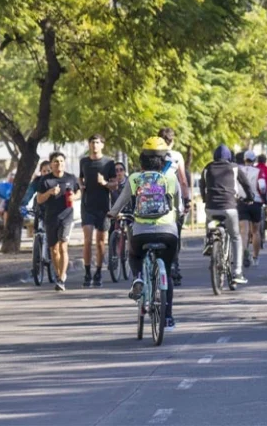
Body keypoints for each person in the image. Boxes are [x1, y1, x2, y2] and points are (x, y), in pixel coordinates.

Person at [108, 137, 182, 331]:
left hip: (141, 233)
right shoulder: (171, 178)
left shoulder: (134, 179)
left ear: (142, 160)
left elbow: (120, 204)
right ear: (164, 160)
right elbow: (179, 207)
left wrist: (112, 214)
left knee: (134, 255)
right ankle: (168, 318)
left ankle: (139, 277)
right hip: (168, 233)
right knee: (167, 269)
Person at [199, 145, 254, 285]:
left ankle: (209, 241)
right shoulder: (234, 167)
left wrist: (205, 199)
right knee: (236, 237)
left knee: (210, 223)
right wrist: (250, 197)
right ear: (229, 157)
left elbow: (202, 185)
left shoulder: (207, 167)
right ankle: (237, 272)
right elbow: (246, 184)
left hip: (211, 208)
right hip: (229, 208)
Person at [36, 152, 81, 292]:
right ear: (51, 164)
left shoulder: (71, 178)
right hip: (51, 217)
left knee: (63, 247)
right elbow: (39, 199)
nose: (59, 164)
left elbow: (79, 192)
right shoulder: (45, 181)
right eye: (56, 161)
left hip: (66, 216)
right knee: (54, 250)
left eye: (61, 161)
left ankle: (61, 278)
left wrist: (74, 197)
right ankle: (58, 273)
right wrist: (49, 192)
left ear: (64, 163)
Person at [79, 134, 117, 288]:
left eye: (97, 142)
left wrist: (105, 183)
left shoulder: (109, 163)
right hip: (87, 205)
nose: (94, 145)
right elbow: (80, 178)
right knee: (87, 240)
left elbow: (114, 184)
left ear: (102, 145)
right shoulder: (84, 161)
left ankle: (99, 272)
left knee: (100, 242)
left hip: (103, 207)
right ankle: (87, 272)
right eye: (91, 142)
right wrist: (81, 186)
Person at [158, 128, 191, 286]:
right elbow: (183, 180)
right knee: (175, 234)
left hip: (153, 201)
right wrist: (187, 200)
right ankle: (174, 266)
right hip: (172, 201)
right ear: (172, 141)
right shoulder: (176, 156)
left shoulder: (151, 154)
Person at [238, 151, 264, 268]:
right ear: (254, 160)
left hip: (242, 201)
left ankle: (244, 253)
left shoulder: (239, 170)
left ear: (244, 159)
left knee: (244, 231)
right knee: (255, 231)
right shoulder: (258, 171)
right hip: (255, 202)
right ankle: (256, 256)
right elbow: (262, 186)